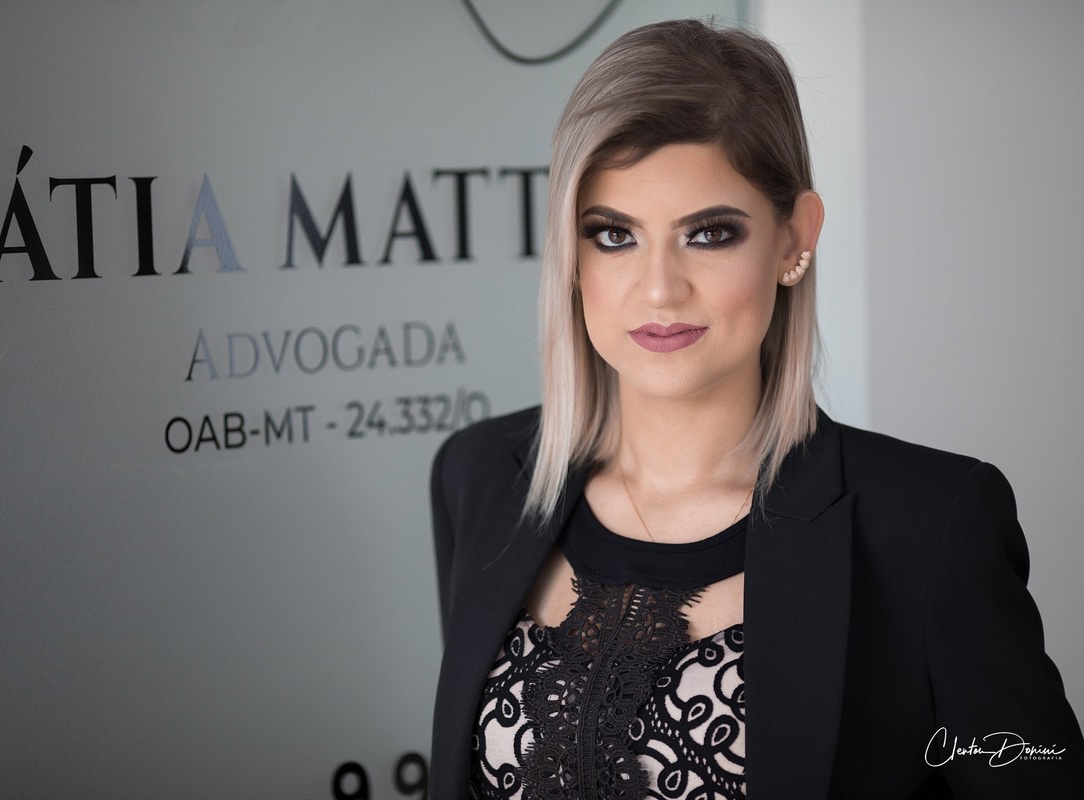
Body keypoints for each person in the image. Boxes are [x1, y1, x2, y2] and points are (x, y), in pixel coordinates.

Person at [427, 18, 1084, 800]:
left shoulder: (929, 528)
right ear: (570, 254)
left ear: (793, 239)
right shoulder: (478, 478)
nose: (660, 289)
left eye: (709, 234)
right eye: (613, 235)